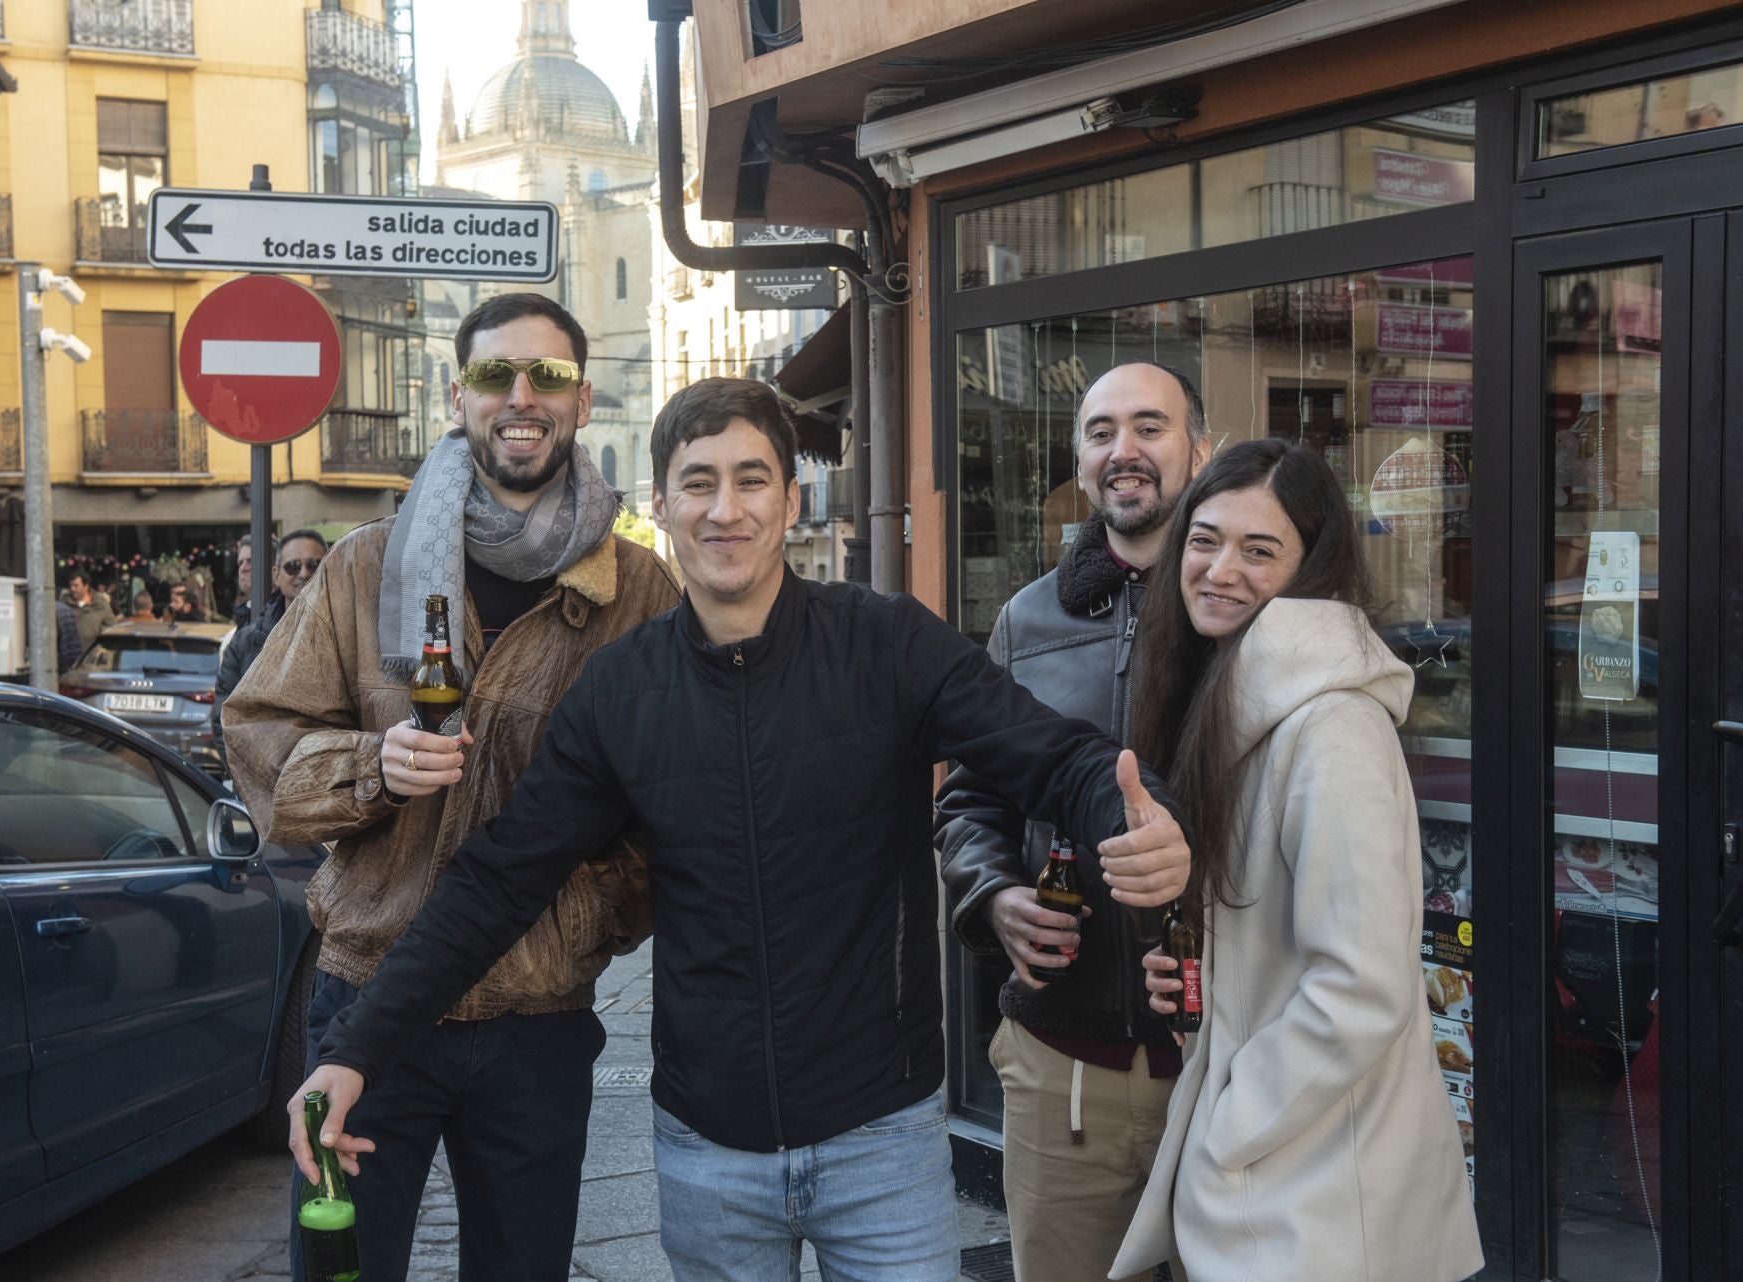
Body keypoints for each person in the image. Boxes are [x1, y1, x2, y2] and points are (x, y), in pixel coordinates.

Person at [288, 377, 1195, 1282]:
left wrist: (1132, 814)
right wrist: (358, 1050)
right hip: (706, 1152)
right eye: (698, 482)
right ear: (660, 505)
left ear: (791, 501)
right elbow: (496, 882)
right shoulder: (618, 694)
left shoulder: (884, 644)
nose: (726, 510)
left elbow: (1053, 756)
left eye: (752, 480)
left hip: (881, 1136)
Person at [222, 292, 681, 1282]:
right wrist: (369, 768)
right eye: (494, 374)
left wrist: (593, 907)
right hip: (365, 1002)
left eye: (547, 376)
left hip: (540, 1017)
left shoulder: (639, 591)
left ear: (583, 399)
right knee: (341, 1269)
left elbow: (675, 797)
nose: (521, 397)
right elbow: (256, 739)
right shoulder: (364, 567)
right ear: (457, 392)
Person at [1116, 438, 1481, 1282]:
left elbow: (1360, 986)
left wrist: (1231, 1125)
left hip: (1316, 1199)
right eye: (1205, 540)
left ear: (1311, 566)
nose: (1220, 569)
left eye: (1260, 549)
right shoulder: (1241, 697)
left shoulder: (1330, 727)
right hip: (1287, 1186)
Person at [936, 362, 1210, 1282]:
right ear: (1082, 462)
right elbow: (972, 797)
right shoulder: (1027, 619)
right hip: (1062, 1067)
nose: (1123, 451)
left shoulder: (1241, 612)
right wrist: (994, 893)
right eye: (1100, 432)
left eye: (1149, 426)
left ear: (1198, 451)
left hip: (1224, 1060)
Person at [211, 529, 329, 775]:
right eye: (293, 566)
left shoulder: (352, 635)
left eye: (314, 565)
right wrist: (253, 782)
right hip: (265, 788)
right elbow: (225, 721)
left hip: (332, 788)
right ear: (277, 574)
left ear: (329, 569)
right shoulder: (246, 642)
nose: (304, 573)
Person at [64, 571, 117, 649]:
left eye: (76, 586)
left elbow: (112, 628)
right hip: (69, 654)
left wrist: (99, 634)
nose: (72, 589)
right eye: (71, 586)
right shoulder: (64, 605)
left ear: (86, 586)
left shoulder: (101, 605)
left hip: (92, 654)